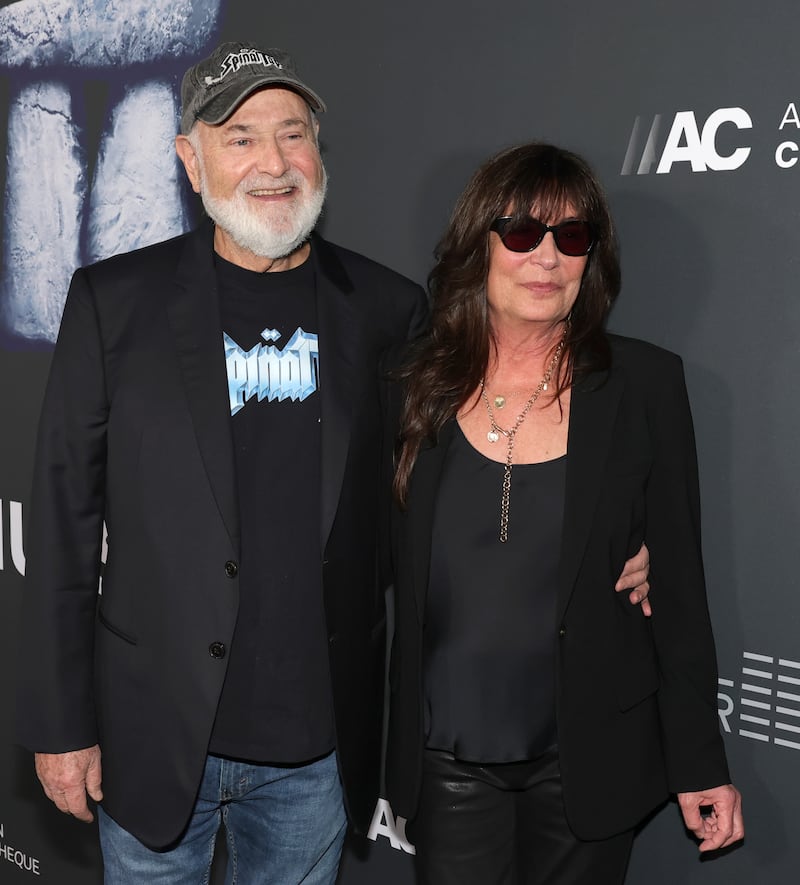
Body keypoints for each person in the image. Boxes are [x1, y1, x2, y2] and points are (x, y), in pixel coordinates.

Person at [15, 43, 650, 882]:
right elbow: (62, 526)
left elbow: (448, 493)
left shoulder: (388, 311)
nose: (273, 162)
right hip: (153, 733)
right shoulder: (113, 302)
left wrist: (615, 546)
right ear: (189, 159)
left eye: (292, 134)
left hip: (315, 754)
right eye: (239, 136)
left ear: (319, 151)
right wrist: (61, 723)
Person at [385, 143, 744, 884]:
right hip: (448, 757)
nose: (547, 256)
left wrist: (700, 764)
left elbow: (680, 597)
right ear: (478, 243)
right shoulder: (412, 386)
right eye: (522, 232)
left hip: (588, 757)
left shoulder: (645, 385)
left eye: (571, 236)